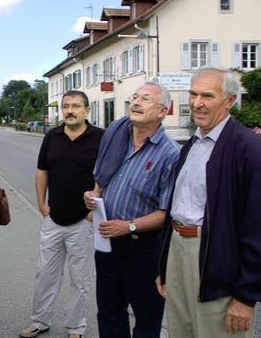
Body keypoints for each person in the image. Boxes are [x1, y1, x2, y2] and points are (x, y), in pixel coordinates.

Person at [156, 66, 261, 338]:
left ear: (230, 100)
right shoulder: (192, 145)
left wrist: (246, 297)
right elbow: (178, 209)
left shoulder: (251, 151)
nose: (197, 103)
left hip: (217, 265)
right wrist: (166, 267)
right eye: (193, 94)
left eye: (207, 95)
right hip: (181, 254)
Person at [84, 82, 180, 338]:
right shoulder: (117, 135)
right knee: (109, 312)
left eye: (145, 99)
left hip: (144, 249)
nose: (135, 102)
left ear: (162, 111)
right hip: (107, 243)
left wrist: (128, 226)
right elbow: (102, 176)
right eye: (134, 97)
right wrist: (95, 197)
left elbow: (167, 213)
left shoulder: (170, 154)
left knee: (146, 319)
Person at [20, 90, 105, 338]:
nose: (69, 110)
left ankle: (75, 327)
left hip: (84, 221)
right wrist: (41, 204)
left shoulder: (100, 138)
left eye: (76, 106)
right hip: (54, 218)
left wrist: (95, 209)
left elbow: (106, 175)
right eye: (66, 106)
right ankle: (39, 321)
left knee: (80, 280)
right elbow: (41, 171)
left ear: (87, 110)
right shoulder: (52, 136)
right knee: (45, 273)